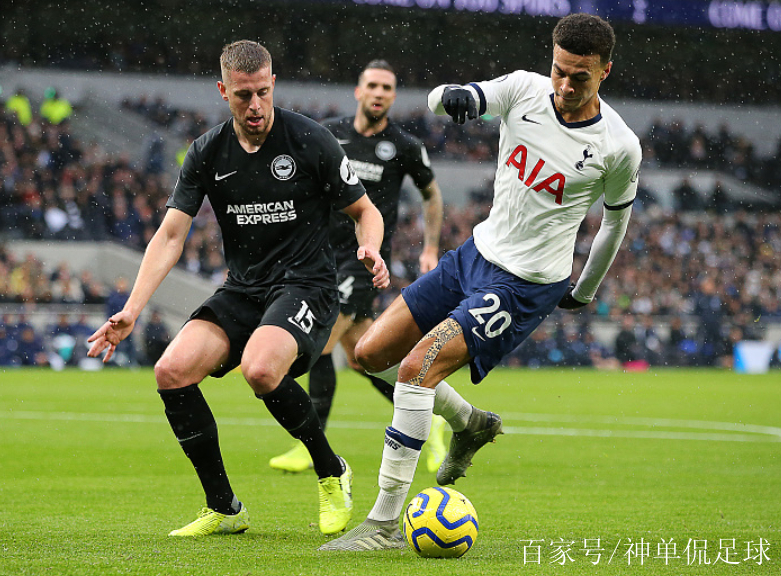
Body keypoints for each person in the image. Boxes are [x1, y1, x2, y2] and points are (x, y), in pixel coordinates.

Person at [321, 13, 641, 551]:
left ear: (605, 72)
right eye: (560, 70)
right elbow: (440, 98)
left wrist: (583, 290)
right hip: (474, 255)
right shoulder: (523, 90)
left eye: (579, 77)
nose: (565, 85)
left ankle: (382, 527)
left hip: (524, 284)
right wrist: (455, 99)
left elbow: (614, 224)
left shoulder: (618, 147)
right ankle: (472, 424)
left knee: (417, 369)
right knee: (369, 353)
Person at [87, 40, 389, 538]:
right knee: (171, 370)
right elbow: (170, 234)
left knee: (260, 368)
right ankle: (225, 508)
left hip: (306, 285)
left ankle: (331, 470)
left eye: (264, 93)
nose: (255, 107)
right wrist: (132, 310)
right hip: (244, 289)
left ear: (274, 86)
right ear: (223, 90)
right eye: (244, 96)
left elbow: (366, 211)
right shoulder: (207, 152)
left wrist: (371, 248)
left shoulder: (310, 140)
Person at [269, 59, 446, 475]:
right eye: (373, 85)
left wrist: (431, 248)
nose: (380, 93)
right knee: (368, 357)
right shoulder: (330, 133)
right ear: (358, 91)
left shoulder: (403, 145)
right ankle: (436, 419)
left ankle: (309, 445)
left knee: (318, 344)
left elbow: (432, 195)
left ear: (393, 95)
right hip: (319, 256)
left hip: (363, 258)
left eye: (388, 87)